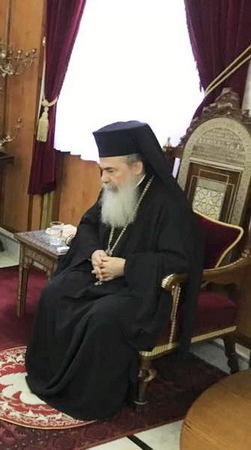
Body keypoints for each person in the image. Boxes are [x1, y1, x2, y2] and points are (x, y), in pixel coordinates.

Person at [24, 121, 204, 420]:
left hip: (141, 286)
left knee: (101, 317)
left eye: (110, 170)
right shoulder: (112, 189)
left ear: (136, 167)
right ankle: (50, 372)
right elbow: (88, 225)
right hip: (102, 272)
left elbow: (180, 260)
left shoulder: (168, 204)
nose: (104, 178)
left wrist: (127, 267)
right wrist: (94, 252)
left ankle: (86, 395)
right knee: (55, 292)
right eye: (102, 170)